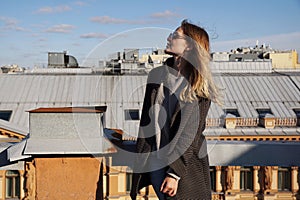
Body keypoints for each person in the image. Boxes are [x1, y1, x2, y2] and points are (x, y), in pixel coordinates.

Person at [130, 19, 222, 200]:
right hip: (156, 161)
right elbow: (147, 122)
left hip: (183, 168)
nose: (168, 38)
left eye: (175, 35)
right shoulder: (157, 75)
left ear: (189, 46)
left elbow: (190, 134)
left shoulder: (200, 85)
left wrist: (174, 174)